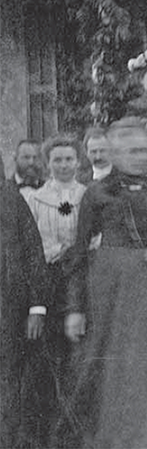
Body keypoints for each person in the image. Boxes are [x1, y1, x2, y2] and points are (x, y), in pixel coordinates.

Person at [64, 117, 147, 448]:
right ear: (115, 153)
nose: (138, 157)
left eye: (143, 150)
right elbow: (79, 252)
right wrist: (75, 309)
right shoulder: (97, 193)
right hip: (108, 295)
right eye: (130, 150)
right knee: (108, 370)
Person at [23, 136, 86, 446]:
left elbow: (94, 238)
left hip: (79, 283)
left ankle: (79, 428)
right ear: (48, 164)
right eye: (57, 160)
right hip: (48, 283)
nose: (63, 165)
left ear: (78, 162)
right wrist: (56, 249)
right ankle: (52, 431)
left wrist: (75, 252)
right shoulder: (35, 199)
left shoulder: (87, 196)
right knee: (50, 356)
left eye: (69, 159)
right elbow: (30, 244)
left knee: (80, 356)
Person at [0, 154, 49, 448]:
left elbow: (33, 253)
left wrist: (37, 307)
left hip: (7, 312)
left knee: (8, 386)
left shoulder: (11, 201)